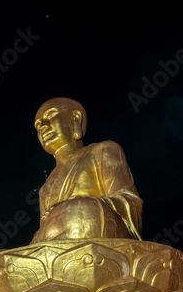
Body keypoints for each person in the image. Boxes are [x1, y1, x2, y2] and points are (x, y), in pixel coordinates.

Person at [31, 97, 142, 242]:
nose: (43, 127)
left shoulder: (104, 150)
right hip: (55, 239)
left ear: (75, 119)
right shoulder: (45, 189)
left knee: (82, 211)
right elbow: (45, 230)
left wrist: (77, 204)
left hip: (94, 225)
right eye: (38, 125)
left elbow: (131, 203)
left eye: (51, 115)